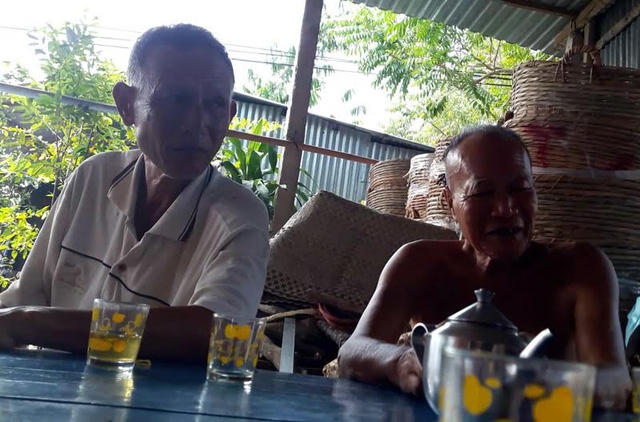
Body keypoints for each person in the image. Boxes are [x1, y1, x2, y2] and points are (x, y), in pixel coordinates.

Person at [0, 24, 269, 362]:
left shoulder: (240, 218)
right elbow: (28, 293)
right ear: (127, 105)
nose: (197, 123)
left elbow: (215, 331)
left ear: (229, 116)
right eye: (177, 100)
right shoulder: (94, 177)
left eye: (215, 104)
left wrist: (29, 323)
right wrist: (16, 318)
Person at [338, 125, 631, 409]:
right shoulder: (418, 263)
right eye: (482, 193)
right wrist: (401, 361)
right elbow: (352, 353)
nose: (505, 208)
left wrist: (528, 379)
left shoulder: (580, 268)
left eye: (520, 188)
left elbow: (615, 381)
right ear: (450, 203)